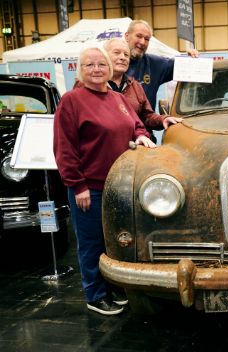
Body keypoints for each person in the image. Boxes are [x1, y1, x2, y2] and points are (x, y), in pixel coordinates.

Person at [53, 45, 156, 316]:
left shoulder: (117, 98)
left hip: (120, 186)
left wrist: (143, 135)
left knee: (116, 241)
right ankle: (96, 295)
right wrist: (78, 185)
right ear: (80, 69)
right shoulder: (72, 101)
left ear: (109, 69)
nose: (96, 69)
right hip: (91, 188)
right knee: (91, 243)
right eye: (89, 65)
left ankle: (112, 288)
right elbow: (65, 148)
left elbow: (136, 124)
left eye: (101, 64)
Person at [103, 38, 182, 132]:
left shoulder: (135, 86)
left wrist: (163, 119)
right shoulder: (92, 86)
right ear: (104, 56)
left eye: (126, 54)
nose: (122, 57)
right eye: (116, 52)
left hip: (137, 142)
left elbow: (146, 116)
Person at [125, 19, 199, 110]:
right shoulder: (110, 65)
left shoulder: (154, 64)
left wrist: (190, 58)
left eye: (147, 39)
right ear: (127, 36)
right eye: (139, 36)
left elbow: (182, 65)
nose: (142, 42)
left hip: (147, 123)